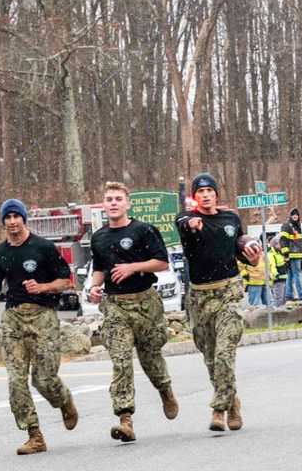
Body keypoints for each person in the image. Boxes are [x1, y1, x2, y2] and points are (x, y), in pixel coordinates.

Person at [0, 199, 78, 455]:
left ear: (24, 219)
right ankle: (34, 434)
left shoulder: (43, 248)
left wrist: (43, 287)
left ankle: (64, 401)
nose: (12, 221)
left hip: (43, 315)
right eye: (8, 217)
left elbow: (66, 281)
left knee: (44, 379)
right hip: (13, 317)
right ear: (3, 221)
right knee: (16, 380)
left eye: (16, 216)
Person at [88, 181, 179, 443]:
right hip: (116, 305)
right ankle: (125, 418)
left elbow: (162, 263)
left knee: (151, 360)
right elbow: (99, 269)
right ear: (103, 205)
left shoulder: (144, 230)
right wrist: (94, 288)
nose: (113, 203)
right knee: (121, 361)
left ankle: (165, 390)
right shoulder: (99, 237)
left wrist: (132, 267)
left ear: (128, 203)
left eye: (118, 198)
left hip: (145, 302)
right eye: (109, 199)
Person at [175, 172, 262, 432]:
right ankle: (232, 402)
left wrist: (253, 256)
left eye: (209, 191)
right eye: (200, 192)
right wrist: (193, 224)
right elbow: (184, 224)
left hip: (229, 291)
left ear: (216, 194)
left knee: (225, 353)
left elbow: (242, 251)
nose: (205, 195)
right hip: (199, 296)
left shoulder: (231, 219)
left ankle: (218, 410)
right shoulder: (185, 219)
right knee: (212, 359)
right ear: (194, 196)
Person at [281, 208, 302, 301]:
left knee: (291, 275)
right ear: (290, 216)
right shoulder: (287, 226)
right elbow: (283, 240)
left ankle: (288, 294)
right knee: (297, 275)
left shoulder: (297, 226)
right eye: (293, 215)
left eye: (297, 214)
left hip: (298, 254)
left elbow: (298, 241)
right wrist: (286, 254)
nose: (295, 216)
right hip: (293, 254)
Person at [268, 236, 289, 307]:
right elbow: (272, 266)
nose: (281, 245)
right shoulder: (271, 254)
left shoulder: (280, 253)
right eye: (280, 244)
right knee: (278, 298)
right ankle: (277, 313)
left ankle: (282, 313)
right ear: (275, 245)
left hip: (284, 278)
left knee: (284, 298)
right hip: (277, 279)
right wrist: (276, 274)